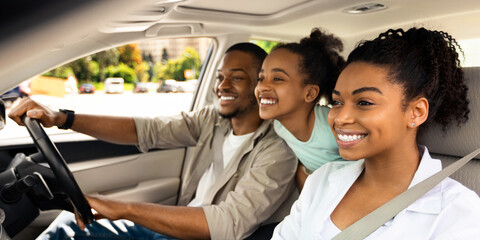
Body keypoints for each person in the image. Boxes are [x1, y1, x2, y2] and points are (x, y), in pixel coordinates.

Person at [9, 43, 298, 240]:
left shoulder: (278, 149)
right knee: (67, 224)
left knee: (71, 230)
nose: (222, 86)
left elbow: (228, 224)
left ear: (260, 85)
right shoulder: (213, 120)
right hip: (172, 231)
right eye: (221, 77)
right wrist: (63, 118)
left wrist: (124, 208)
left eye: (236, 78)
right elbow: (147, 131)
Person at [272, 27, 480, 239]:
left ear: (416, 112)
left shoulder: (457, 212)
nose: (340, 117)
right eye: (337, 102)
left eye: (364, 102)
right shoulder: (323, 178)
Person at [255, 28, 345, 190]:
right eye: (261, 78)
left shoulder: (330, 126)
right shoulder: (279, 127)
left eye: (277, 78)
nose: (262, 86)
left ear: (309, 93)